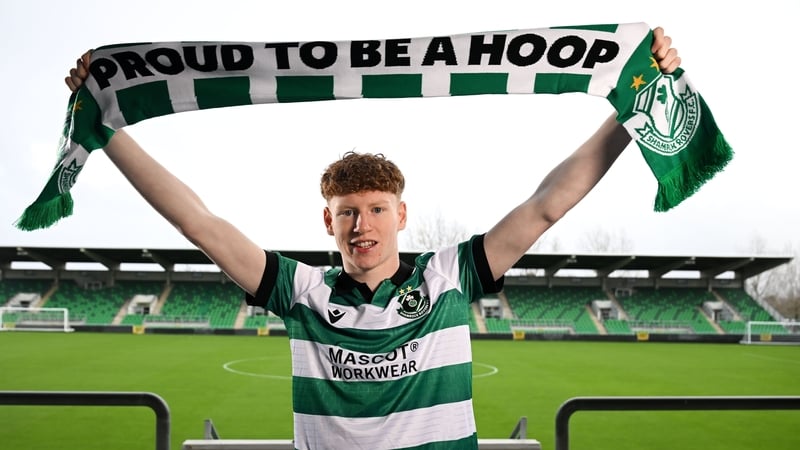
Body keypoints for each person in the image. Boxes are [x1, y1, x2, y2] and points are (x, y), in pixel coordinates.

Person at [66, 27, 681, 450]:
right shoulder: (300, 290)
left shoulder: (446, 277)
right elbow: (197, 222)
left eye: (376, 209)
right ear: (327, 222)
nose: (363, 226)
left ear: (402, 214)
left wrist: (632, 108)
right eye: (347, 213)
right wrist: (106, 130)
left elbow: (546, 206)